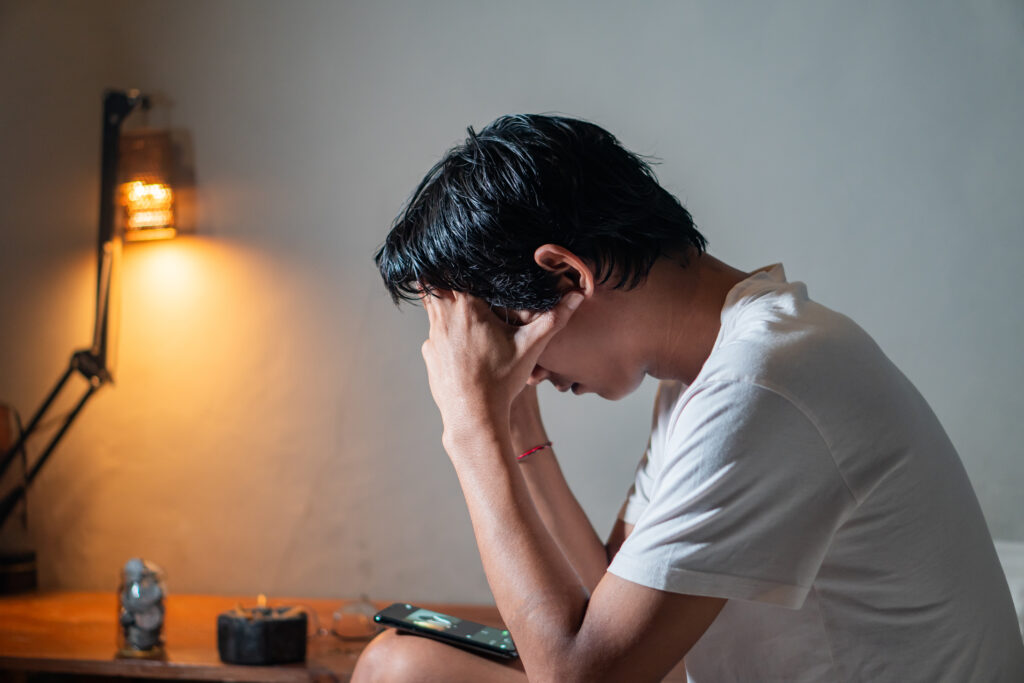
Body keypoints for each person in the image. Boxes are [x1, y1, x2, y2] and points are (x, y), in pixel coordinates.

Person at [352, 115, 1024, 682]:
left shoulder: (763, 382)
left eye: (509, 340)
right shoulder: (721, 364)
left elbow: (583, 672)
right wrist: (513, 426)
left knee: (400, 671)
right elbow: (612, 595)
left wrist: (472, 429)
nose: (523, 372)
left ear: (566, 274)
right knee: (399, 664)